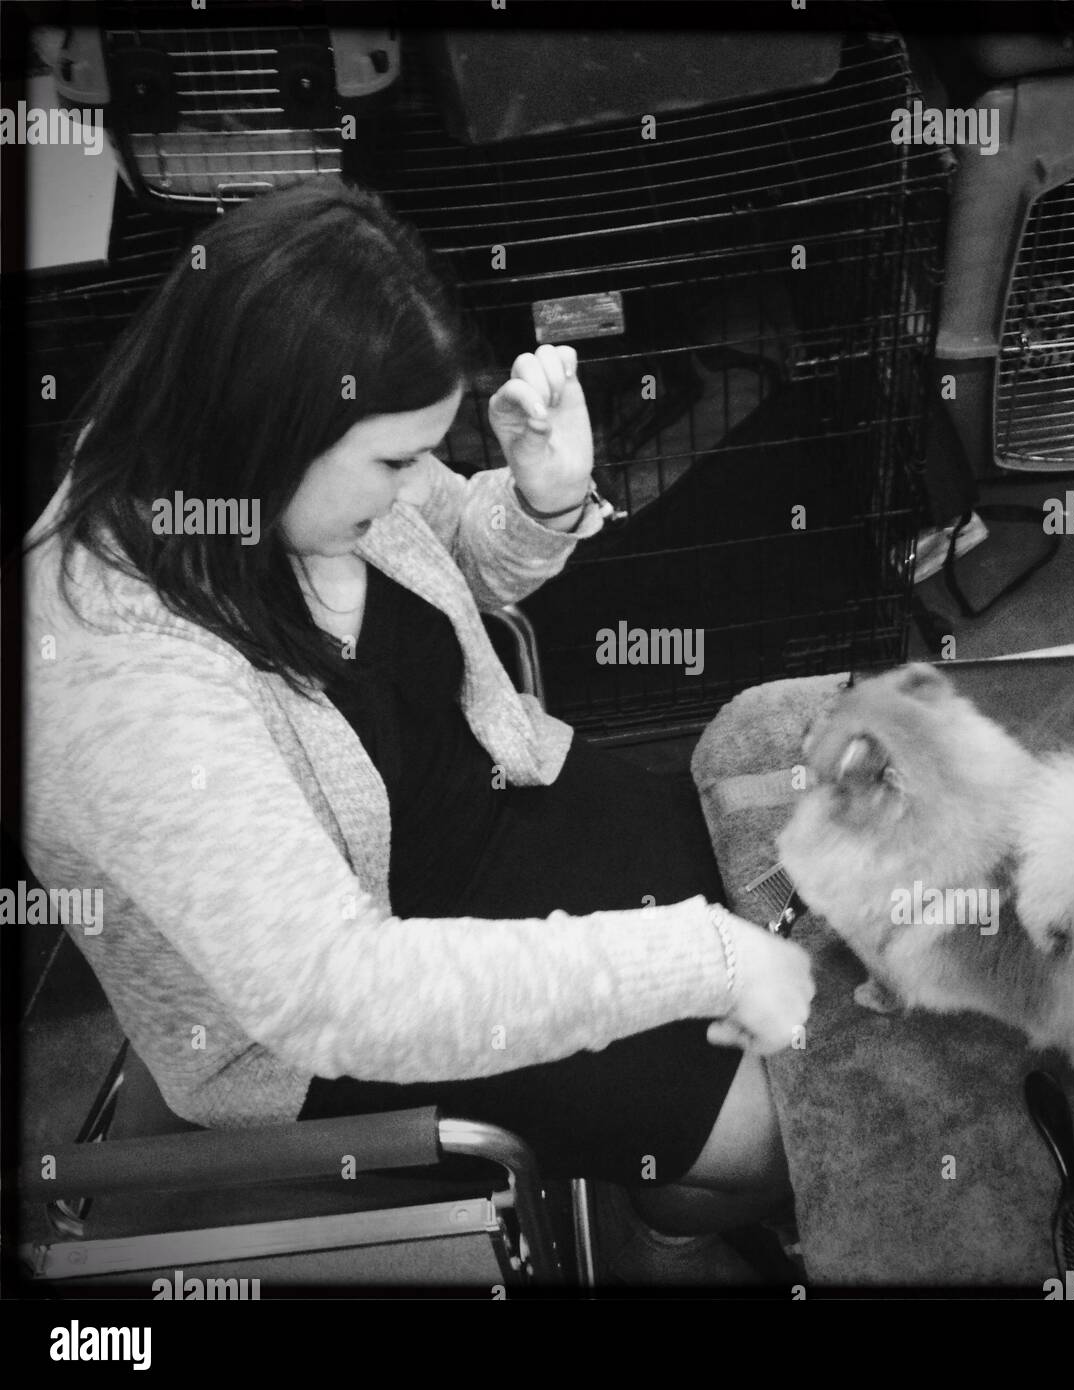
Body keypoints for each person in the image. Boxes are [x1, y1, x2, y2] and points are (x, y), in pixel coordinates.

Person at [22, 179, 814, 1284]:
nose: (409, 483)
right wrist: (699, 958)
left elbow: (457, 552)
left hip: (494, 790)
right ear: (271, 427)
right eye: (393, 459)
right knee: (780, 1128)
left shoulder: (265, 451)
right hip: (343, 1008)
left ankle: (677, 1170)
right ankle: (671, 1219)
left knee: (801, 930)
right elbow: (343, 991)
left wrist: (539, 500)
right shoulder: (122, 680)